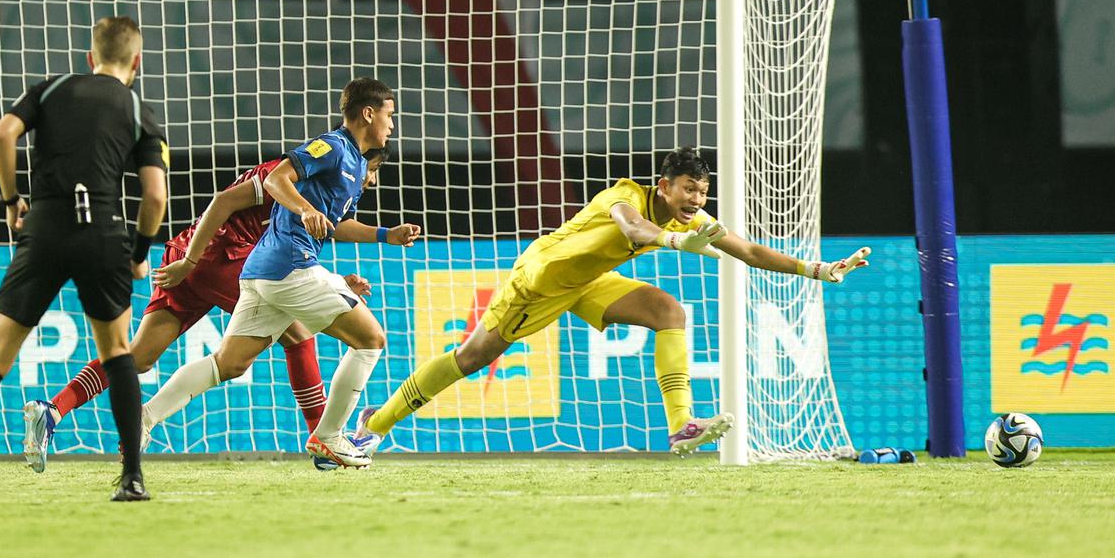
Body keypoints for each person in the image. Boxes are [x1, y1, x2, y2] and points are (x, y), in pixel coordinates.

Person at [352, 146, 871, 457]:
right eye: (688, 189)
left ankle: (681, 425)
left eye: (703, 192)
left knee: (668, 310)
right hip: (542, 279)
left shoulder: (691, 221)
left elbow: (749, 249)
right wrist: (673, 241)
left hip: (587, 281)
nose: (696, 200)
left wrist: (818, 269)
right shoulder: (622, 194)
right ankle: (374, 424)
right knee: (472, 358)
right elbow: (632, 226)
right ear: (664, 184)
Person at [0, 16, 168, 503]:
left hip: (46, 227)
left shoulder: (51, 88)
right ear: (137, 63)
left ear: (89, 57)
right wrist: (139, 254)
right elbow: (155, 197)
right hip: (102, 231)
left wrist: (12, 201)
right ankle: (132, 479)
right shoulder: (140, 108)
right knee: (117, 353)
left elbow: (1, 135)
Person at [19, 157, 373, 473]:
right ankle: (324, 440)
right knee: (298, 334)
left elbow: (298, 249)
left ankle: (52, 410)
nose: (367, 181)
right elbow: (224, 203)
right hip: (217, 258)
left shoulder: (308, 190)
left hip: (190, 253)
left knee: (139, 357)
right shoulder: (284, 175)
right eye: (370, 171)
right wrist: (191, 262)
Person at [138, 77, 420, 469]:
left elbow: (337, 224)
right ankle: (329, 436)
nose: (392, 125)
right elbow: (275, 179)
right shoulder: (333, 146)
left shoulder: (356, 164)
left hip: (263, 273)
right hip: (289, 268)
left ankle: (144, 416)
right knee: (371, 339)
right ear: (368, 113)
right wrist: (304, 208)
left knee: (228, 363)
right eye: (389, 115)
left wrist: (387, 235)